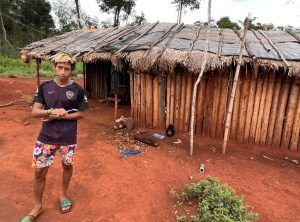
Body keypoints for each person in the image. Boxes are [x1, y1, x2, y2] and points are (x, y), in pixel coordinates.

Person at [21, 53, 89, 222]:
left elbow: (81, 114)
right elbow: (35, 111)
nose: (63, 72)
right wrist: (50, 111)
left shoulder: (77, 90)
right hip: (46, 137)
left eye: (67, 68)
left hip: (68, 138)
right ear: (54, 68)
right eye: (60, 67)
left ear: (72, 71)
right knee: (39, 172)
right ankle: (37, 206)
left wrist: (61, 116)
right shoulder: (44, 87)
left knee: (67, 165)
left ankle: (63, 194)